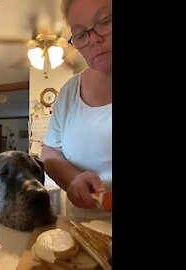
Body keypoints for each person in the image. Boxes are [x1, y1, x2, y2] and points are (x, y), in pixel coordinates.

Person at [41, 0, 112, 219]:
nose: (93, 39)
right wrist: (72, 179)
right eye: (80, 34)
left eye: (106, 21)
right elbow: (50, 151)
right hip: (82, 231)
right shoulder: (70, 91)